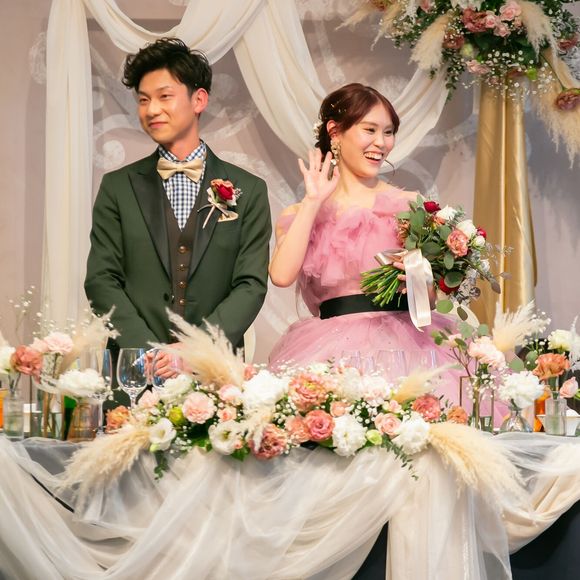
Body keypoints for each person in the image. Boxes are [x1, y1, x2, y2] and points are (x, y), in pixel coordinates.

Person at [85, 38, 271, 372]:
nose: (151, 110)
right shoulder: (117, 187)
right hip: (134, 369)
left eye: (164, 96)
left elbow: (250, 286)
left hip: (215, 372)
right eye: (143, 100)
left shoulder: (250, 190)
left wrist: (195, 351)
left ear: (199, 99)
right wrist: (149, 353)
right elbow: (101, 280)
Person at [268, 82, 460, 402]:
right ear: (335, 132)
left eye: (388, 132)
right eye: (369, 130)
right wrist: (313, 202)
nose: (381, 143)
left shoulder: (410, 206)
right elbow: (280, 275)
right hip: (332, 349)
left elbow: (426, 302)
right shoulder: (302, 213)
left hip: (408, 346)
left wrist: (418, 276)